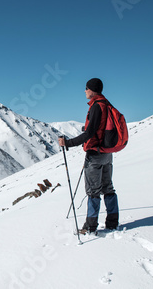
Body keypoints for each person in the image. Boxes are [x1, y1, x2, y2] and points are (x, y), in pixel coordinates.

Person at [58, 78, 119, 234]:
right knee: (108, 188)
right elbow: (98, 127)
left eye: (86, 88)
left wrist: (68, 143)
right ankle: (113, 222)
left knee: (93, 192)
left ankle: (90, 227)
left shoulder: (96, 107)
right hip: (107, 153)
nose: (84, 91)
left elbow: (89, 133)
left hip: (95, 154)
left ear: (92, 90)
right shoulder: (106, 104)